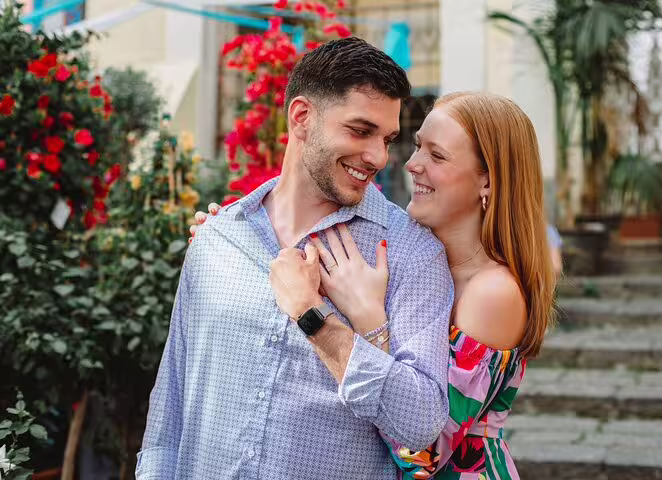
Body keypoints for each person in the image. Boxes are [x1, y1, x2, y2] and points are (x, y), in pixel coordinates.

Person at [137, 37, 454, 479]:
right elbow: (170, 403)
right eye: (361, 131)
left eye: (387, 139)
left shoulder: (408, 253)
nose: (379, 157)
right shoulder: (218, 239)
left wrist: (316, 321)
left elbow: (419, 425)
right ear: (302, 118)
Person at [194, 92, 557, 478]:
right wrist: (233, 238)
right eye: (418, 147)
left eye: (437, 155)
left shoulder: (491, 292)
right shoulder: (405, 258)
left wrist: (369, 320)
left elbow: (421, 453)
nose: (411, 165)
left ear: (488, 180)